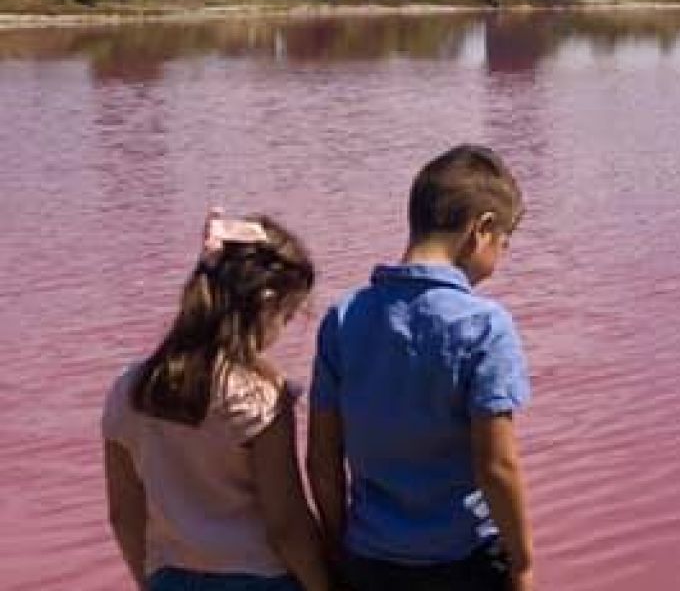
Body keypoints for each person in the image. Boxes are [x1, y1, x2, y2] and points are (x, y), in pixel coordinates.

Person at [307, 144, 536, 591]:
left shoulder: (344, 317)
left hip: (372, 558)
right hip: (465, 561)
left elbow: (321, 458)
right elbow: (497, 466)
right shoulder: (486, 326)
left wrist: (337, 546)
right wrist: (523, 562)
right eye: (504, 244)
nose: (499, 262)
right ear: (482, 230)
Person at [102, 212, 332, 591]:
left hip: (170, 577)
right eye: (287, 317)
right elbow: (286, 524)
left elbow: (123, 514)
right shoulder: (259, 400)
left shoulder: (128, 391)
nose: (283, 330)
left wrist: (149, 580)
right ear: (266, 302)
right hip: (259, 579)